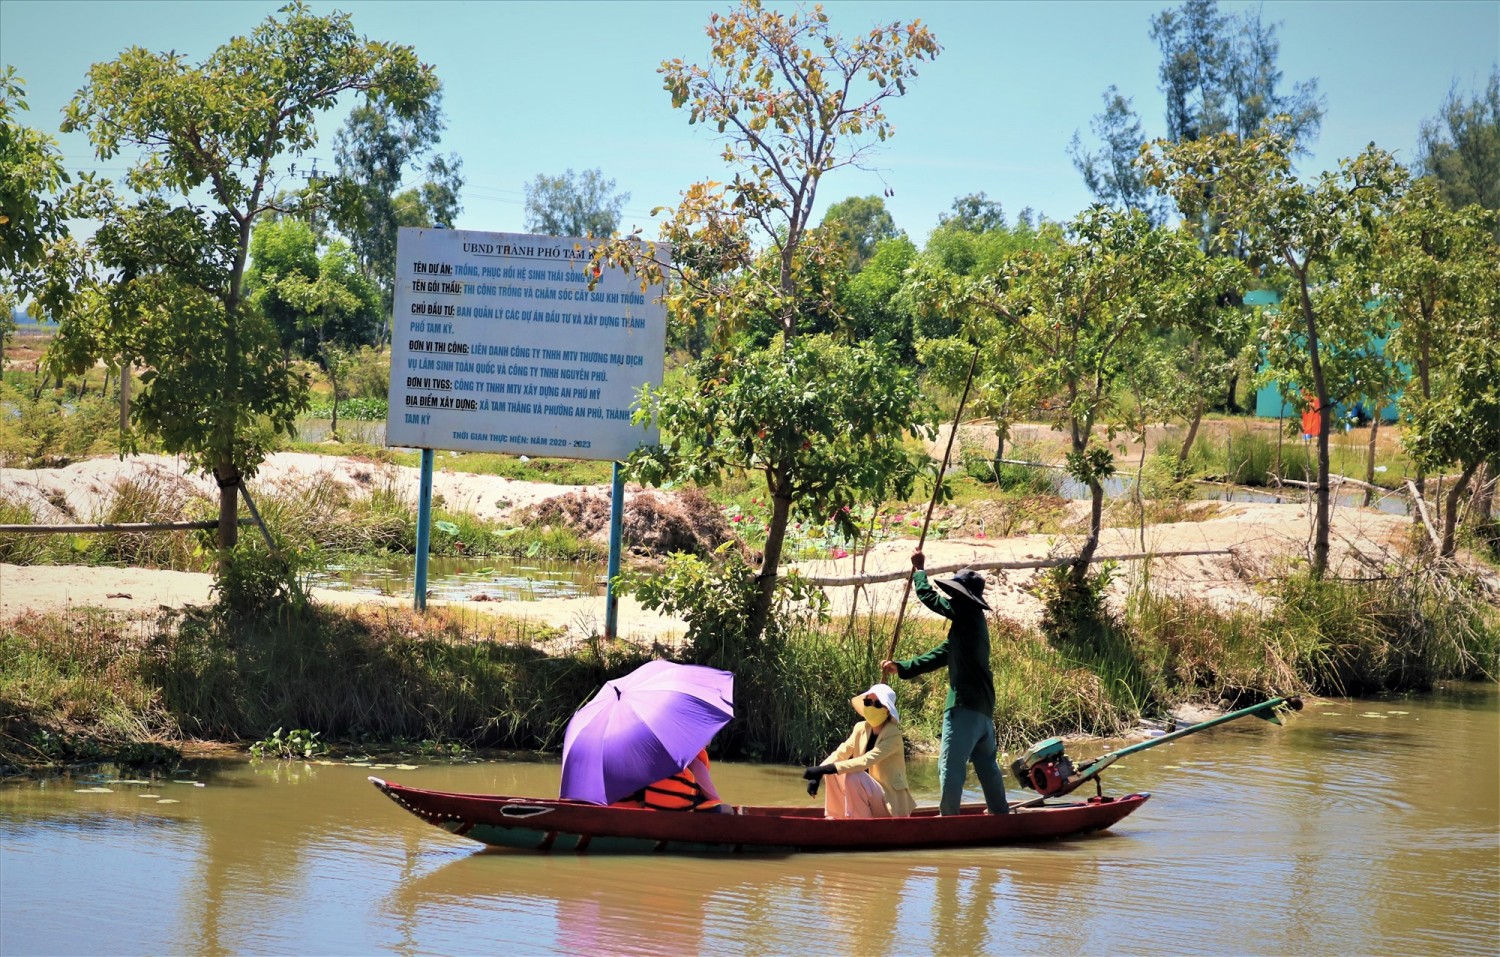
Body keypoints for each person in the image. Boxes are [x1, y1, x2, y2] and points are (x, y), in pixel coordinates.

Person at [881, 550, 1010, 816]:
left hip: (963, 706)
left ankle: (948, 819)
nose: (952, 597)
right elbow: (940, 655)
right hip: (983, 708)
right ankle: (1000, 816)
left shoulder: (966, 613)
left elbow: (930, 598)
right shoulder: (970, 625)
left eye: (956, 594)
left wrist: (919, 572)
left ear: (965, 597)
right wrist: (902, 667)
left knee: (949, 766)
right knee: (987, 766)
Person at [801, 683, 916, 819]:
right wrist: (819, 774)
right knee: (834, 770)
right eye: (868, 702)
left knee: (852, 775)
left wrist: (825, 769)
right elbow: (840, 753)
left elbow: (865, 761)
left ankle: (860, 822)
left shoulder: (893, 735)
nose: (872, 707)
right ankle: (836, 817)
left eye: (877, 704)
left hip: (888, 802)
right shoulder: (860, 728)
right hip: (868, 796)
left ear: (887, 710)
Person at [611, 748, 733, 813]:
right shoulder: (694, 761)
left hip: (649, 817)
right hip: (678, 819)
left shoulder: (646, 757)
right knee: (725, 809)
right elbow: (714, 799)